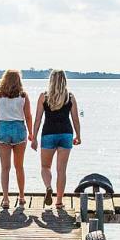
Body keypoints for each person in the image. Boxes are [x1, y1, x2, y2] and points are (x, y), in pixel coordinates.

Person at [34, 70, 81, 210]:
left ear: (51, 80)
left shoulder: (44, 96)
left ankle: (49, 187)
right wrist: (78, 135)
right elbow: (75, 119)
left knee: (45, 167)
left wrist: (34, 138)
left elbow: (37, 119)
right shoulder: (70, 97)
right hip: (66, 134)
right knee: (61, 170)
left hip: (48, 134)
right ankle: (59, 202)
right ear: (64, 81)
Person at [0, 69, 33, 208]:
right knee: (19, 167)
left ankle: (6, 199)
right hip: (19, 129)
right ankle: (22, 196)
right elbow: (28, 116)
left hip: (3, 129)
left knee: (5, 168)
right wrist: (31, 133)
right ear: (19, 80)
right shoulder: (23, 95)